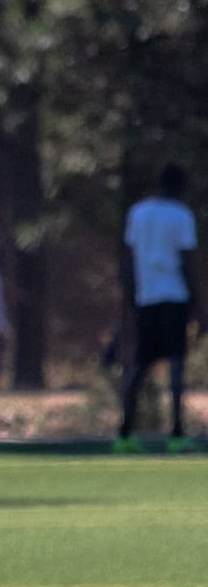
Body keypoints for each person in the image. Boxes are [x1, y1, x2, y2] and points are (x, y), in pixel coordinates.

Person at [115, 164, 199, 452]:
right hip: (174, 295)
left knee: (140, 364)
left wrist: (129, 294)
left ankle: (124, 433)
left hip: (146, 297)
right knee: (176, 361)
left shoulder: (137, 213)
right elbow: (187, 260)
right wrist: (198, 302)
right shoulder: (181, 214)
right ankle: (176, 432)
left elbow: (128, 256)